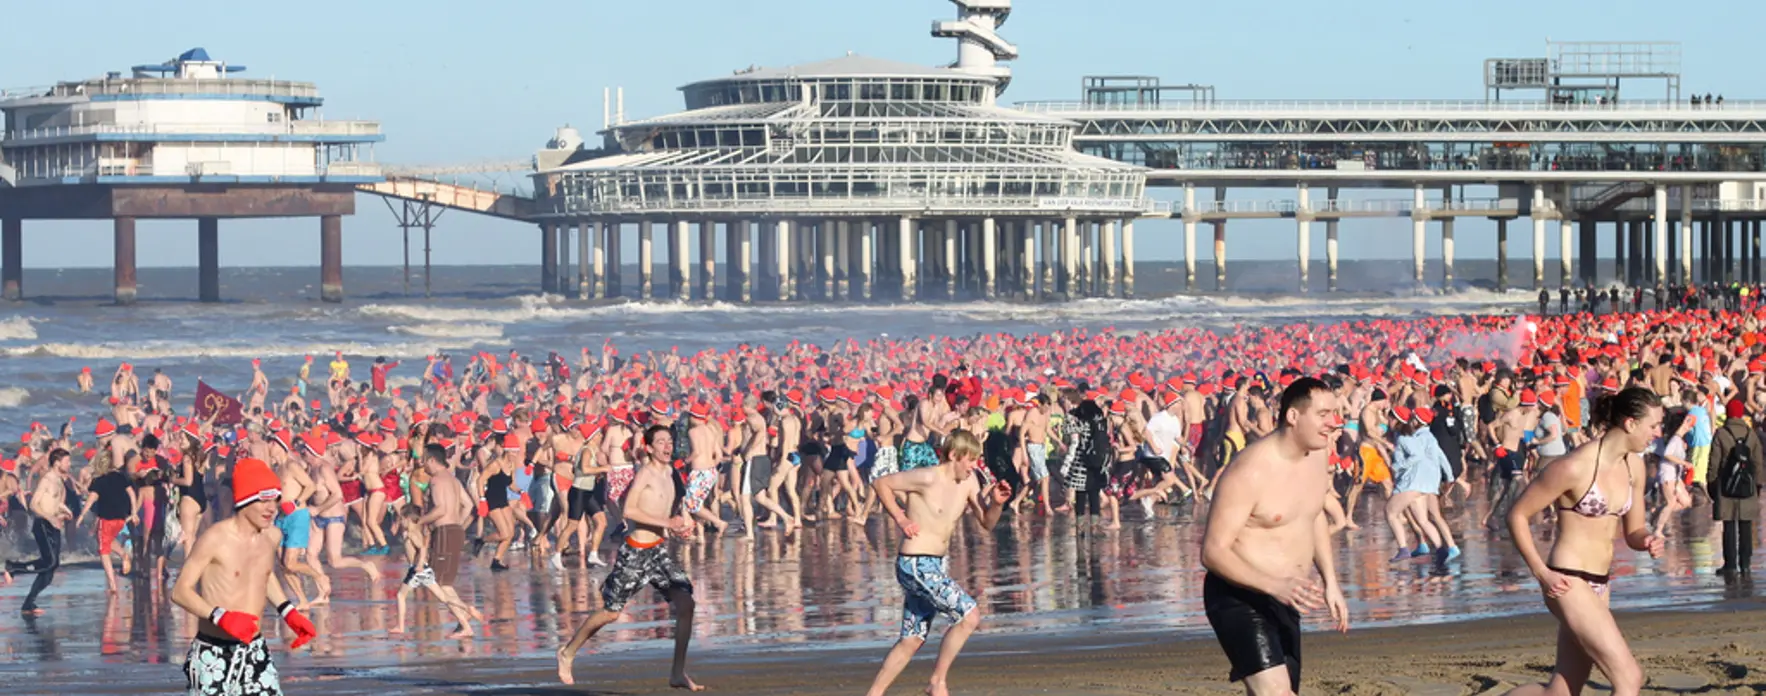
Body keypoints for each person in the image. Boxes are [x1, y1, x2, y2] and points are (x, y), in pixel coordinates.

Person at [1500, 387, 1665, 696]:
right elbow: (1517, 516)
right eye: (1653, 425)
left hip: (1601, 584)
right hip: (1567, 581)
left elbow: (1634, 531)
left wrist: (1647, 541)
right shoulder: (1574, 466)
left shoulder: (1634, 466)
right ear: (1630, 423)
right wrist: (1541, 573)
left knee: (1561, 691)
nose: (1658, 432)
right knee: (1629, 677)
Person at [1199, 377, 1349, 696]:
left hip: (1287, 597)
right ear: (1293, 416)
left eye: (1334, 414)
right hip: (1239, 596)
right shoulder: (1250, 471)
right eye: (1323, 414)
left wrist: (1331, 582)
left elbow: (1312, 516)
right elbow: (1212, 551)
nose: (1333, 423)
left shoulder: (1318, 455)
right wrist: (1274, 585)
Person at [863, 430, 1010, 696]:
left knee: (912, 639)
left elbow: (987, 523)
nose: (974, 466)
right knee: (969, 616)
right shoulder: (927, 477)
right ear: (953, 455)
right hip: (915, 564)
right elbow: (881, 483)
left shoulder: (969, 483)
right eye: (970, 459)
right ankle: (937, 682)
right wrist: (901, 518)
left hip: (935, 565)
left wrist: (997, 504)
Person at [557, 425, 702, 690]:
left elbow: (670, 509)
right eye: (661, 442)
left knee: (686, 604)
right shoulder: (645, 473)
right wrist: (667, 523)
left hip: (658, 551)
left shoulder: (671, 472)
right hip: (636, 551)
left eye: (669, 441)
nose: (667, 446)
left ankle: (677, 673)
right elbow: (629, 511)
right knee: (611, 613)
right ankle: (568, 652)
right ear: (649, 448)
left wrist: (681, 524)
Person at [171, 457, 317, 696]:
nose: (272, 508)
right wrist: (221, 617)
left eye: (275, 500)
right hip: (214, 654)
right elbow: (180, 591)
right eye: (263, 500)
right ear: (244, 500)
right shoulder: (215, 538)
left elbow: (263, 575)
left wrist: (288, 612)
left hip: (255, 650)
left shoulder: (271, 536)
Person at [8, 448, 74, 615]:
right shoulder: (47, 480)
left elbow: (53, 501)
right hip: (43, 524)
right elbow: (34, 504)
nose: (70, 464)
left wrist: (65, 510)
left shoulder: (59, 480)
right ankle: (14, 567)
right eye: (67, 461)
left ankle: (28, 604)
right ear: (57, 463)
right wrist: (49, 517)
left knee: (51, 568)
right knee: (50, 562)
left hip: (53, 524)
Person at [1709, 398, 1763, 577]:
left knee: (1729, 526)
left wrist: (1712, 483)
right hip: (1747, 485)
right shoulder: (1751, 434)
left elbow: (1714, 462)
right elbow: (1758, 462)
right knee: (1746, 527)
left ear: (1727, 413)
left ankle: (1730, 565)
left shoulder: (1721, 434)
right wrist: (1758, 484)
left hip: (1726, 486)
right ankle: (1745, 564)